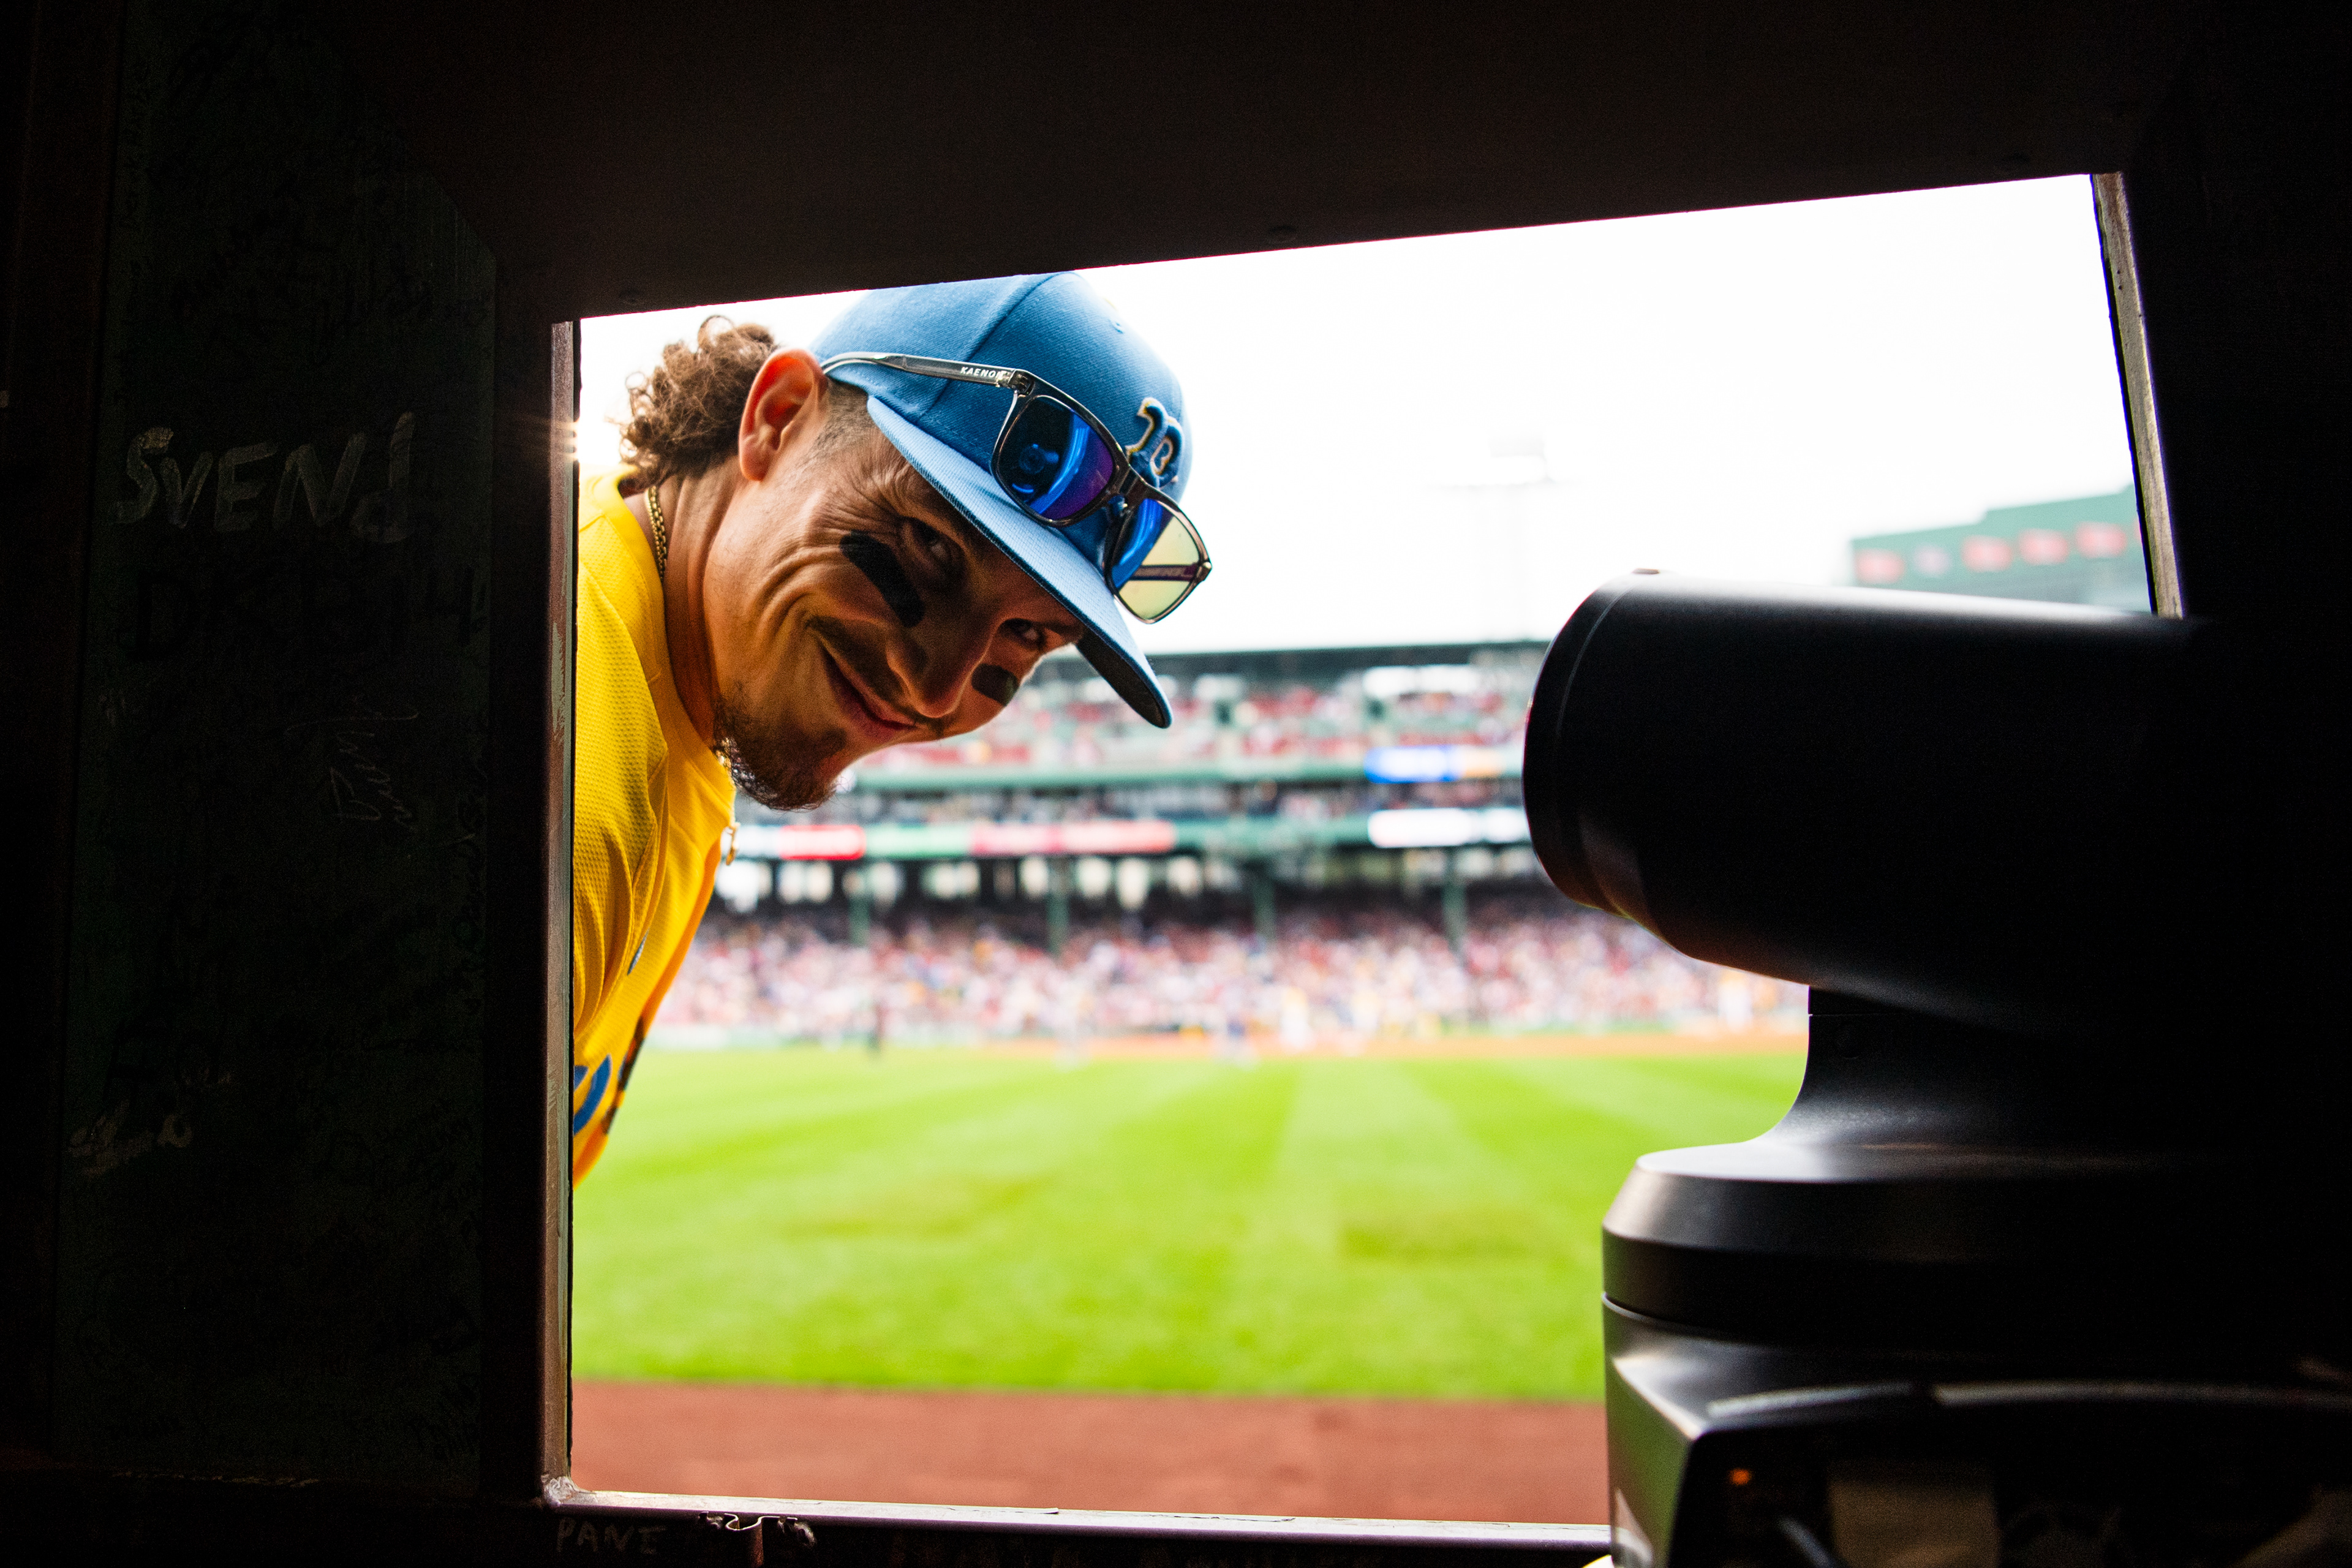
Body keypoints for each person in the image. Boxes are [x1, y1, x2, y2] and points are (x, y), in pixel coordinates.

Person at [569, 273, 1212, 1182]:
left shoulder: (673, 675)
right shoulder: (569, 771)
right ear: (778, 418)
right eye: (932, 548)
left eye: (1028, 637)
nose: (940, 688)